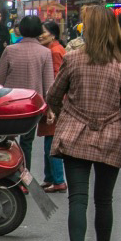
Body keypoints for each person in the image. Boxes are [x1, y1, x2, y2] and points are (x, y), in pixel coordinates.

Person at [46, 3, 121, 241]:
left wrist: (58, 109)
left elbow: (54, 94)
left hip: (74, 135)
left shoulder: (73, 58)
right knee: (104, 200)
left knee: (77, 199)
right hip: (111, 137)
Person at [0, 15, 56, 179]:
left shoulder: (10, 50)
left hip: (9, 103)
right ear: (38, 31)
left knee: (8, 141)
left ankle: (7, 174)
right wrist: (50, 109)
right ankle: (24, 176)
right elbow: (49, 84)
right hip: (32, 106)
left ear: (21, 30)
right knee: (27, 143)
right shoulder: (45, 52)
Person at [38, 21, 69, 191]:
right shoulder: (53, 50)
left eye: (44, 32)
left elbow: (57, 80)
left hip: (54, 104)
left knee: (52, 143)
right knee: (48, 142)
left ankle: (58, 180)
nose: (40, 35)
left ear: (53, 35)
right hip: (52, 102)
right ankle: (50, 177)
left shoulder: (55, 52)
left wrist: (54, 106)